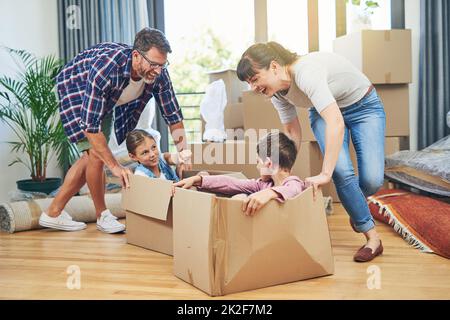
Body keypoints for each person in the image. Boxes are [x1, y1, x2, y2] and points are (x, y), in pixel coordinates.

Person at [236, 42, 385, 262]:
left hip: (364, 106)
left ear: (275, 67)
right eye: (249, 83)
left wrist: (324, 174)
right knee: (341, 172)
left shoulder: (306, 73)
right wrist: (280, 170)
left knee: (372, 180)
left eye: (255, 78)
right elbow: (292, 131)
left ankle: (357, 207)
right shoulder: (277, 94)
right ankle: (373, 239)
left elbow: (336, 122)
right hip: (323, 111)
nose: (253, 88)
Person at [39, 28, 190, 233]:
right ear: (136, 55)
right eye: (153, 64)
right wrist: (116, 167)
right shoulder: (106, 69)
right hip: (78, 86)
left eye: (162, 65)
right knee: (94, 154)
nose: (158, 70)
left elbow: (173, 116)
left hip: (109, 97)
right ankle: (102, 216)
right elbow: (91, 128)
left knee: (91, 156)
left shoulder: (158, 74)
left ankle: (53, 212)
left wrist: (184, 153)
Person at [174, 132, 308, 216]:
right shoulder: (263, 185)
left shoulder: (294, 183)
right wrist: (198, 179)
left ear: (268, 163)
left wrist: (270, 193)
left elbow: (293, 190)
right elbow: (232, 183)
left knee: (242, 197)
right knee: (240, 195)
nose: (256, 166)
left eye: (258, 162)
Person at [126, 129, 192, 181]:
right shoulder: (140, 176)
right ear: (133, 157)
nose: (152, 154)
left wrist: (181, 156)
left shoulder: (161, 160)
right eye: (145, 152)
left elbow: (170, 158)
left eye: (154, 147)